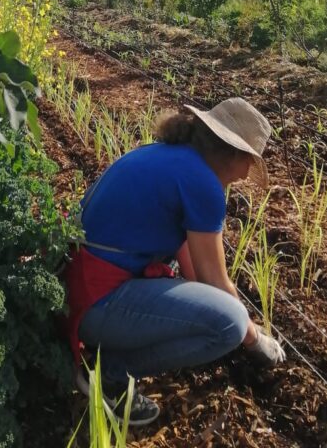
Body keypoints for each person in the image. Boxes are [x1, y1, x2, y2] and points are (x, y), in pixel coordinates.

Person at [63, 97, 286, 427]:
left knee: (224, 314)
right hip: (97, 302)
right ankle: (109, 372)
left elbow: (193, 269)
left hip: (77, 287)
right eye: (249, 161)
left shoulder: (171, 158)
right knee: (230, 324)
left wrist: (203, 312)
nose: (246, 174)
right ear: (232, 154)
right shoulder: (203, 185)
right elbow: (213, 280)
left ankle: (107, 353)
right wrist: (254, 339)